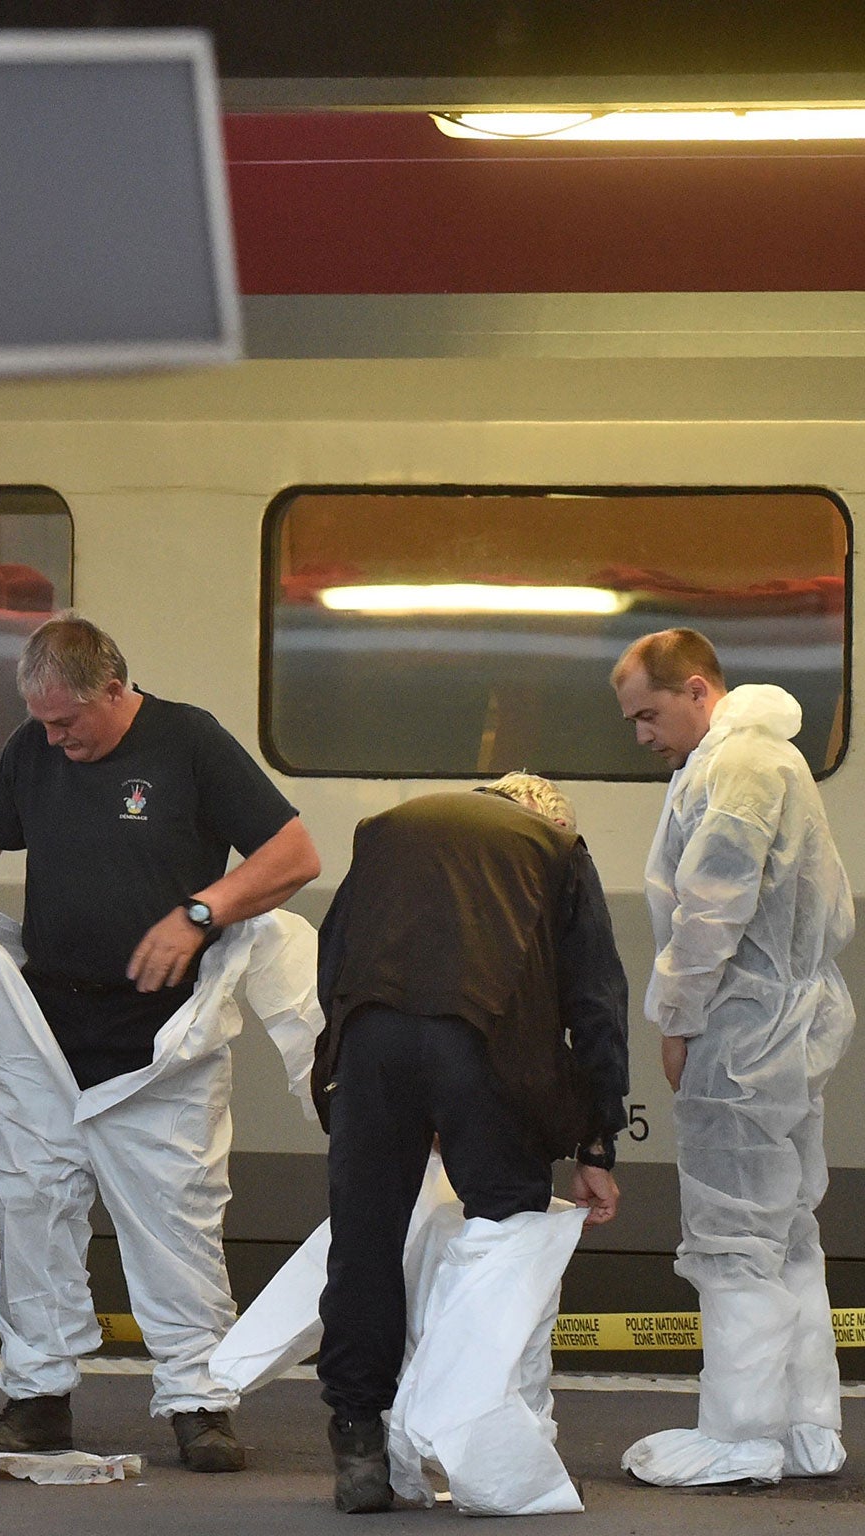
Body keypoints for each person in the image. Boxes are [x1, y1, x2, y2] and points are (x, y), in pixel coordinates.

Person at [0, 614, 322, 1469]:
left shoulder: (188, 742)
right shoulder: (34, 751)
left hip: (160, 1039)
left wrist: (201, 913)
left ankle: (198, 1398)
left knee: (175, 1219)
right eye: (43, 721)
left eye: (69, 720)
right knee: (31, 1205)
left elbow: (294, 854)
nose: (56, 737)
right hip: (51, 1033)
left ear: (115, 689)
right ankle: (35, 1396)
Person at [309, 774, 627, 1513]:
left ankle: (359, 1442)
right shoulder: (556, 847)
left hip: (371, 1040)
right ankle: (481, 1442)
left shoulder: (389, 829)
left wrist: (356, 1076)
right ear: (546, 816)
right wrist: (596, 1143)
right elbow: (595, 1000)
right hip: (486, 1049)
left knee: (365, 1236)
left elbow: (335, 958)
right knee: (503, 1236)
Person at [612, 630, 854, 1487]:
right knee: (787, 1233)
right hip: (785, 1030)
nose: (641, 734)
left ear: (698, 689)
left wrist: (675, 1014)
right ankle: (808, 1426)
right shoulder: (763, 763)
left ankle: (743, 1433)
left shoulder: (739, 768)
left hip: (742, 1032)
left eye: (648, 713)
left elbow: (712, 903)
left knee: (732, 1235)